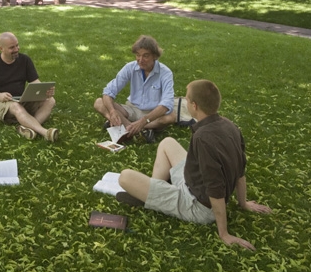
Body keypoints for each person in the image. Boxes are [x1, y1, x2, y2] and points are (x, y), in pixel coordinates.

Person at [116, 79, 272, 250]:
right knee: (168, 142)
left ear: (194, 105)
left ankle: (155, 196)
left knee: (125, 177)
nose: (185, 101)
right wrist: (244, 203)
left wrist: (224, 233)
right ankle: (156, 192)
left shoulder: (203, 138)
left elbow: (215, 187)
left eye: (187, 99)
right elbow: (240, 170)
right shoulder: (229, 125)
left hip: (198, 205)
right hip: (192, 181)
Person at [0, 31, 58, 141]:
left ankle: (27, 128)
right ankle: (44, 132)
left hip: (19, 98)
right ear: (1, 49)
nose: (16, 49)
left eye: (17, 45)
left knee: (50, 100)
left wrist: (44, 92)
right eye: (12, 47)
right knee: (15, 106)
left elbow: (35, 82)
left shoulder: (24, 60)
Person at [94, 34, 175, 144]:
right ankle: (136, 129)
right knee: (99, 102)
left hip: (153, 114)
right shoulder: (130, 67)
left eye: (145, 56)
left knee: (170, 117)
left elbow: (166, 104)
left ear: (155, 56)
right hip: (132, 109)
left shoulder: (165, 73)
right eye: (138, 55)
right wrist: (113, 112)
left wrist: (143, 121)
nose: (140, 60)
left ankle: (125, 127)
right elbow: (108, 92)